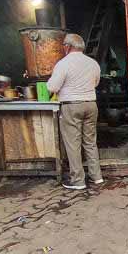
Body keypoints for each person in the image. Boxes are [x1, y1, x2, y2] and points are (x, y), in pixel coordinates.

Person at [47, 33, 102, 190]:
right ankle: (96, 176)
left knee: (73, 144)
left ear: (68, 46)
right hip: (91, 104)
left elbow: (52, 87)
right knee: (90, 142)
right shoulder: (93, 63)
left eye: (64, 45)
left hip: (71, 105)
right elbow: (96, 83)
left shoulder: (63, 64)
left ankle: (78, 181)